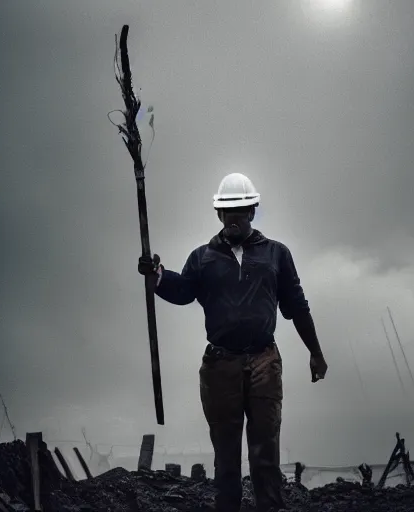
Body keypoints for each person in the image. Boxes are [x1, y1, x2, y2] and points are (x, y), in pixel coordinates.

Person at [138, 173, 328, 512]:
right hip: (219, 365)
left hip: (264, 362)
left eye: (240, 210)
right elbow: (182, 292)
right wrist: (158, 278)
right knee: (225, 455)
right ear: (218, 214)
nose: (233, 217)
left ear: (253, 211)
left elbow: (296, 306)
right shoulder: (202, 258)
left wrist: (315, 352)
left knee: (265, 451)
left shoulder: (276, 255)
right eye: (226, 211)